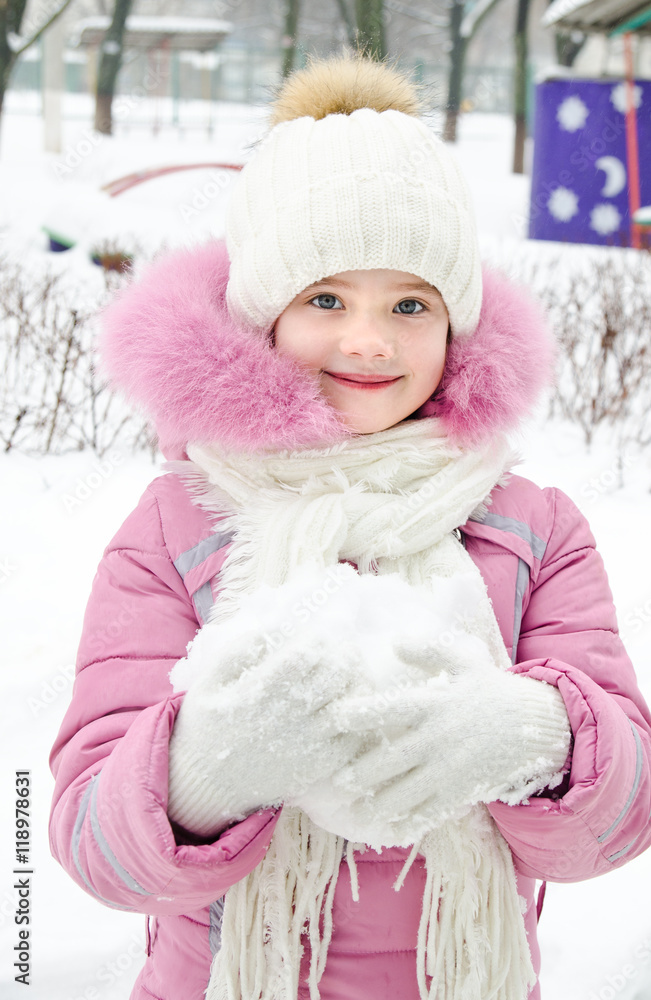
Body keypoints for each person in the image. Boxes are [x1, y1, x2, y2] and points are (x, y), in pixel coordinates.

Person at [49, 54, 651, 1000]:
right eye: (325, 298)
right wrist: (201, 770)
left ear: (456, 328)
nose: (369, 340)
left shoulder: (535, 529)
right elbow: (94, 846)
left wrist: (534, 737)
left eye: (410, 304)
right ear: (262, 314)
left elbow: (619, 821)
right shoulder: (177, 526)